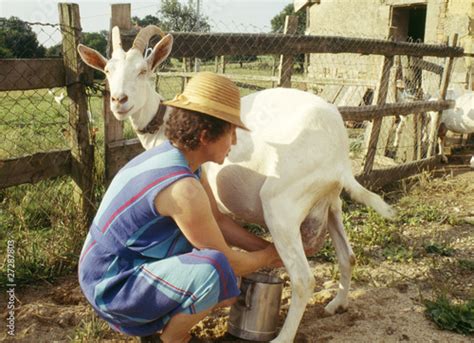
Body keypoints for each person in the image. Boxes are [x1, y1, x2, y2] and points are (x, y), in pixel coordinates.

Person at [78, 72, 282, 343]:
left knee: (225, 285)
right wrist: (269, 256)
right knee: (215, 271)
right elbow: (228, 262)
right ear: (206, 135)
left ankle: (155, 324)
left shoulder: (175, 159)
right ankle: (168, 340)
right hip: (110, 287)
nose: (234, 142)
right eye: (231, 132)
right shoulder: (183, 188)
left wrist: (269, 248)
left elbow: (218, 221)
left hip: (107, 267)